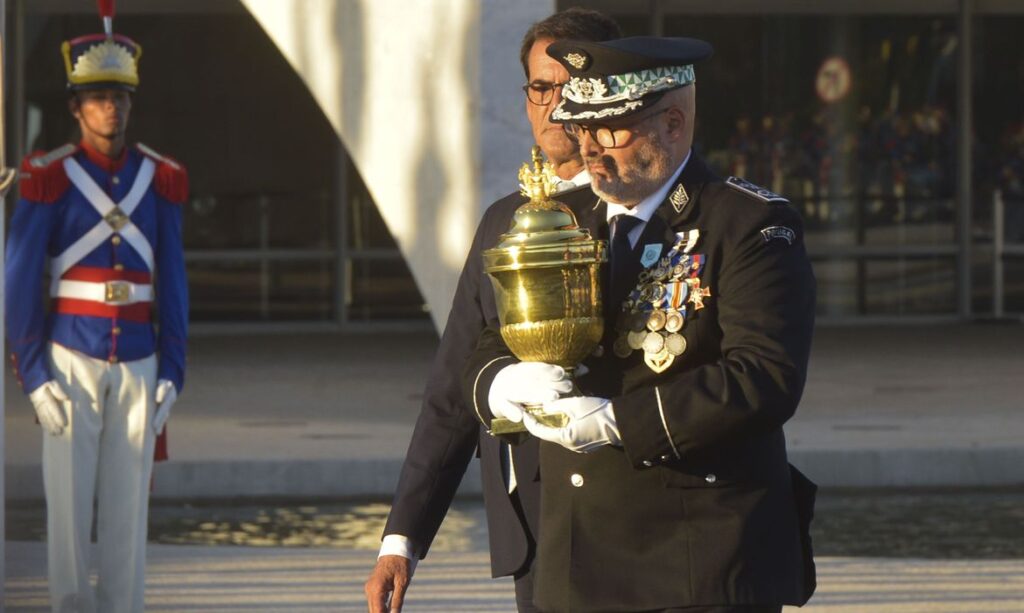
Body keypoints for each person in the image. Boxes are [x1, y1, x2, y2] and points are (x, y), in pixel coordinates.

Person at [463, 36, 818, 612]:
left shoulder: (748, 224)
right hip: (576, 560)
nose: (590, 150)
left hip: (697, 562)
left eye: (610, 132)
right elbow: (488, 336)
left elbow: (764, 376)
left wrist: (616, 422)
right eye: (582, 130)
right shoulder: (563, 219)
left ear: (673, 124)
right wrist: (502, 381)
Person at [364, 8, 620, 613]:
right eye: (540, 87)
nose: (554, 104)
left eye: (571, 87)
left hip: (625, 516)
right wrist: (402, 540)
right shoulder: (503, 221)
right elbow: (453, 387)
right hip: (532, 522)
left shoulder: (637, 213)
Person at [5, 7, 188, 611]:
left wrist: (173, 370)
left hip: (138, 359)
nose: (112, 108)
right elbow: (19, 282)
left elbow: (175, 283)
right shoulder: (48, 178)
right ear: (76, 108)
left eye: (120, 97)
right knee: (67, 507)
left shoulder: (157, 179)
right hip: (70, 360)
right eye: (99, 97)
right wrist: (33, 376)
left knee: (128, 512)